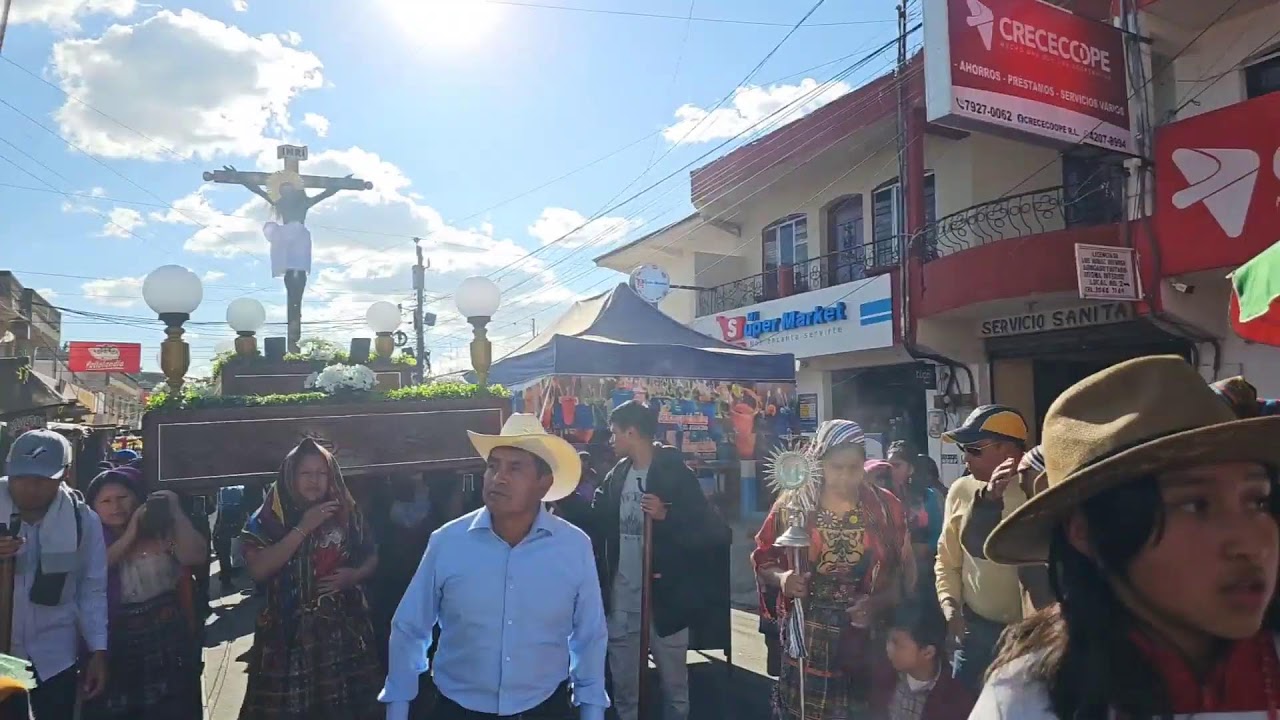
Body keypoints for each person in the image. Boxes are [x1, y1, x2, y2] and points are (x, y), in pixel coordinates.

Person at [972, 355, 1280, 718]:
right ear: (1087, 532)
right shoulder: (1028, 702)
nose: (1249, 544)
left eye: (1257, 501)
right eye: (1196, 504)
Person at [380, 413, 609, 720]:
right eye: (493, 466)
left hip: (543, 707)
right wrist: (398, 708)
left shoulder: (573, 547)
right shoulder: (447, 542)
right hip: (457, 708)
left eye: (515, 468)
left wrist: (591, 709)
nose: (498, 478)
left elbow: (589, 636)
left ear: (544, 483)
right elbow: (409, 627)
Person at [753, 419, 913, 719]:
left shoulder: (885, 508)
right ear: (818, 463)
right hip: (809, 633)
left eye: (854, 467)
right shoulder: (794, 504)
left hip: (867, 635)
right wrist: (783, 578)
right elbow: (764, 558)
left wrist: (876, 604)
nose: (845, 477)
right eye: (836, 467)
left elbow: (904, 574)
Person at [592, 400, 722, 720]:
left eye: (615, 433)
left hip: (667, 598)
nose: (611, 440)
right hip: (623, 599)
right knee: (625, 686)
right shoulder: (617, 474)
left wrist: (668, 514)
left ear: (632, 432)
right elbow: (596, 518)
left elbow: (706, 528)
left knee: (674, 685)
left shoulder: (675, 473)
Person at [238, 438, 382, 720]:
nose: (314, 481)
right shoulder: (268, 519)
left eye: (321, 472)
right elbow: (258, 570)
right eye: (305, 473)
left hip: (344, 631)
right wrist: (304, 527)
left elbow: (372, 554)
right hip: (287, 634)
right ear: (290, 475)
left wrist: (355, 575)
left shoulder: (346, 512)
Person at [0, 429, 108, 720]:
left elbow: (91, 588)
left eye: (41, 480)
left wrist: (98, 650)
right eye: (21, 477)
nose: (29, 488)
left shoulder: (83, 520)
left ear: (65, 475)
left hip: (55, 652)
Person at [82, 469, 207, 720]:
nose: (116, 507)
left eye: (123, 497)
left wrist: (174, 509)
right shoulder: (90, 539)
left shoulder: (161, 530)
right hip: (117, 641)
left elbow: (196, 556)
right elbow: (96, 569)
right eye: (106, 501)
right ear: (93, 507)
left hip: (168, 638)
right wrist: (132, 533)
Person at [933, 405, 1028, 691]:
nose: (965, 458)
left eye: (974, 449)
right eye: (964, 449)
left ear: (1008, 451)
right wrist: (950, 606)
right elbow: (947, 559)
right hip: (976, 633)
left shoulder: (1038, 489)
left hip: (1029, 637)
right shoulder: (961, 490)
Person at [958, 445, 1053, 614]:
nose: (1030, 500)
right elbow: (980, 545)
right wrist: (988, 500)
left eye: (1032, 490)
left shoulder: (1081, 533)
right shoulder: (1034, 531)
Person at [884, 602, 975, 720]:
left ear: (928, 652)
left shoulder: (955, 701)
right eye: (889, 640)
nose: (888, 648)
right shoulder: (884, 674)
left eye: (897, 644)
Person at [885, 442, 944, 606]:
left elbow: (940, 534)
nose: (891, 470)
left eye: (897, 465)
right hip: (891, 578)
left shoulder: (929, 497)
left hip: (925, 574)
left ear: (910, 469)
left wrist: (925, 548)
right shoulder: (882, 498)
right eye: (888, 465)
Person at [214, 484, 248, 592]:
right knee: (231, 548)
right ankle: (228, 577)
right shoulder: (239, 489)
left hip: (221, 524)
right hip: (233, 522)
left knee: (223, 552)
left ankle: (226, 578)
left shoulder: (220, 490)